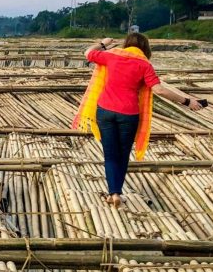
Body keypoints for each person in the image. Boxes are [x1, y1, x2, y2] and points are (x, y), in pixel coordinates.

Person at [73, 33, 205, 207]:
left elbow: (88, 53)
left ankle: (113, 193)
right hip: (128, 114)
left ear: (127, 44)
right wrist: (188, 101)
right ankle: (118, 192)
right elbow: (159, 90)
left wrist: (103, 44)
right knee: (123, 154)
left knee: (111, 155)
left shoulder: (112, 56)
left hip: (104, 111)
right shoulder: (144, 64)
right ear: (145, 48)